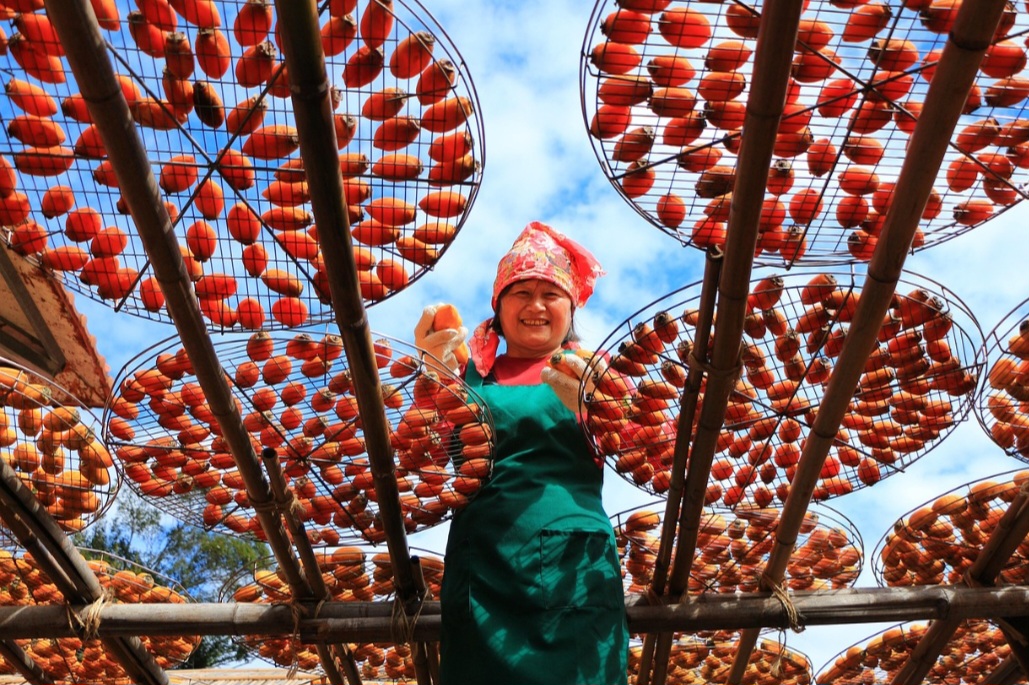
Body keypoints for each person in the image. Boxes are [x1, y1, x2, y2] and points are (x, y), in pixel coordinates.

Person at [414, 221, 629, 685]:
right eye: (520, 292)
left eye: (550, 293)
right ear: (498, 307)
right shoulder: (466, 374)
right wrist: (428, 380)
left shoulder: (595, 371)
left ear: (571, 306)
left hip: (576, 569)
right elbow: (420, 456)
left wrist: (603, 410)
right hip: (482, 570)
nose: (535, 305)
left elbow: (649, 449)